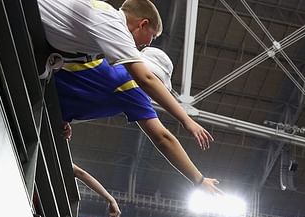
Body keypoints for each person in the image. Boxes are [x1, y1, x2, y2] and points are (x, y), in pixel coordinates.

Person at [37, 0, 212, 150]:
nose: (144, 45)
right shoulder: (115, 28)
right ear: (142, 24)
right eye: (151, 37)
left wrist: (64, 117)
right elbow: (146, 79)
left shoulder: (101, 31)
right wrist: (186, 120)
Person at [56, 48, 221, 194]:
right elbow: (163, 139)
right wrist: (199, 180)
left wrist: (64, 117)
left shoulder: (113, 62)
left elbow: (81, 83)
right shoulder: (133, 87)